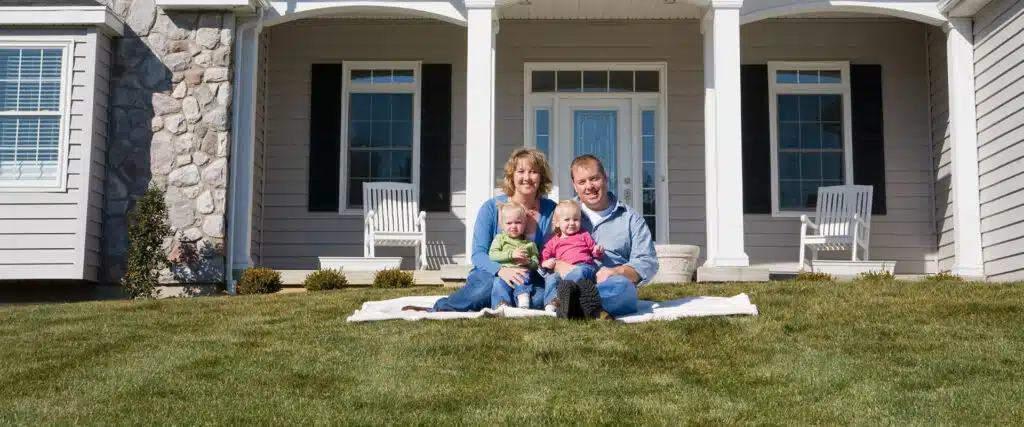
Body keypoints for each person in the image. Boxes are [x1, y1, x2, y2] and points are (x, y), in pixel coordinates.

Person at [403, 148, 558, 312]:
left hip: (528, 275)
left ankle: (497, 303)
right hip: (492, 273)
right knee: (484, 291)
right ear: (512, 176)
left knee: (541, 298)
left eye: (533, 172)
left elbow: (552, 250)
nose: (527, 177)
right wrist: (501, 271)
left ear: (541, 177)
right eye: (521, 171)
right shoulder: (492, 208)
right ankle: (441, 307)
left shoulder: (551, 210)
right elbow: (478, 254)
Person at [549, 154, 659, 318]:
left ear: (605, 178)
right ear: (575, 185)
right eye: (582, 182)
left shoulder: (630, 219)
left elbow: (647, 263)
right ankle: (587, 306)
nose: (589, 186)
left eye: (594, 179)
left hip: (611, 284)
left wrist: (616, 271)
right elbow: (544, 253)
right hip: (571, 280)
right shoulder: (563, 213)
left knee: (624, 288)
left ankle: (573, 303)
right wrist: (558, 264)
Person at [539, 200, 603, 313]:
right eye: (567, 220)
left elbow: (593, 250)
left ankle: (564, 295)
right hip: (562, 272)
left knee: (579, 272)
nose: (572, 223)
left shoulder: (583, 234)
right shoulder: (554, 241)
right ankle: (551, 302)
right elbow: (545, 255)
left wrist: (597, 251)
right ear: (557, 223)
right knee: (551, 278)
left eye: (576, 219)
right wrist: (545, 262)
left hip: (584, 266)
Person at [488, 200, 540, 309]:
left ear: (525, 224)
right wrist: (511, 254)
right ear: (501, 225)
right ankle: (502, 304)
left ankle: (523, 301)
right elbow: (493, 255)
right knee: (498, 283)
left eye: (518, 222)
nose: (513, 226)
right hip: (504, 272)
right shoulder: (500, 239)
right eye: (509, 223)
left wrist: (528, 262)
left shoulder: (530, 244)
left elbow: (536, 263)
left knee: (525, 277)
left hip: (522, 273)